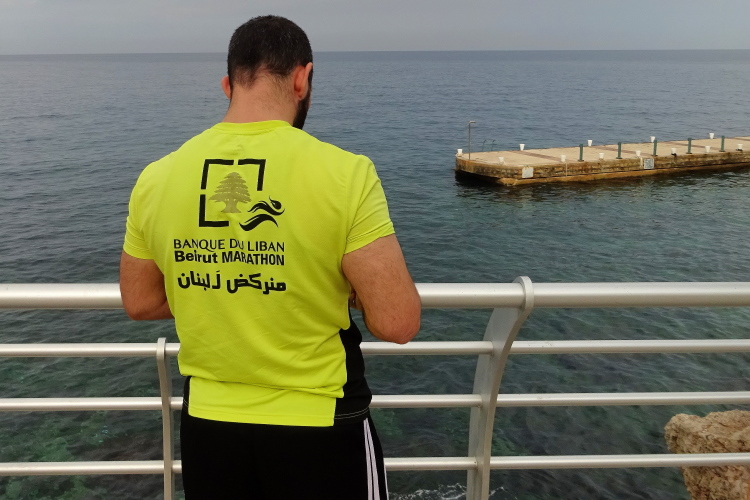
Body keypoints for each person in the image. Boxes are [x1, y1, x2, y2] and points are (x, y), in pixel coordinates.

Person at [119, 14, 421, 500]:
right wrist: (314, 287)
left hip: (210, 427)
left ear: (228, 85)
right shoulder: (346, 174)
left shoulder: (156, 177)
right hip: (321, 423)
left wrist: (221, 282)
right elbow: (397, 321)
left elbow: (140, 301)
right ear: (302, 78)